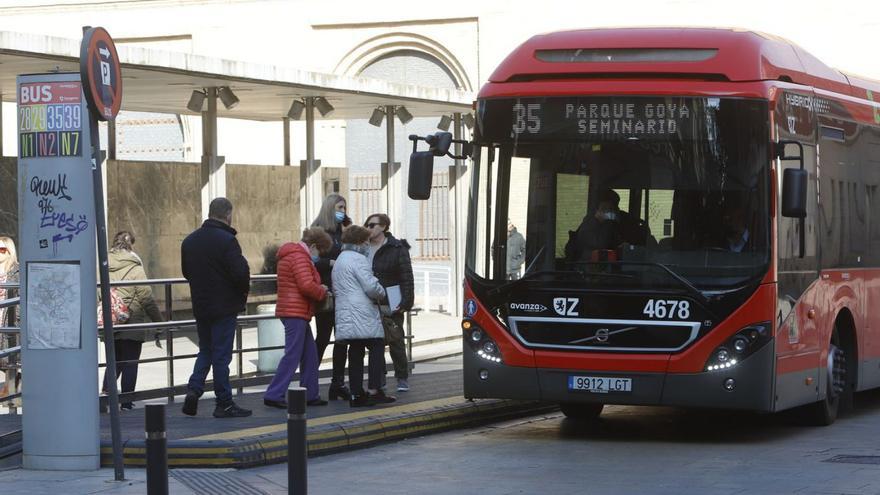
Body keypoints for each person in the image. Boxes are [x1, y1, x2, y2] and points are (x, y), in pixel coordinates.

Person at [181, 197, 252, 418]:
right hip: (224, 306)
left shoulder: (190, 241)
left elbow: (186, 272)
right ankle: (224, 403)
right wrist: (241, 292)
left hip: (201, 305)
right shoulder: (227, 241)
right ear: (228, 215)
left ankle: (194, 389)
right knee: (221, 355)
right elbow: (240, 273)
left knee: (206, 350)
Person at [263, 227, 332, 409]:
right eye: (320, 251)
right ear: (314, 246)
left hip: (295, 311)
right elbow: (306, 285)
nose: (318, 256)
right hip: (295, 311)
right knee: (293, 354)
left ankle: (311, 394)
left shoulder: (292, 255)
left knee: (309, 355)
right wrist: (322, 291)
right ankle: (274, 393)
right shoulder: (300, 257)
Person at [332, 225, 395, 407]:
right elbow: (371, 287)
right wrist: (381, 291)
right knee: (376, 346)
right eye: (366, 241)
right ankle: (375, 390)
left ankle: (356, 394)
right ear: (360, 242)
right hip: (362, 312)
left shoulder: (340, 259)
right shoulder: (358, 259)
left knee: (356, 351)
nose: (368, 244)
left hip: (346, 312)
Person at [101, 231, 164, 410]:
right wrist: (158, 322)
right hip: (132, 322)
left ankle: (106, 396)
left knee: (113, 362)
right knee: (130, 362)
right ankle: (126, 402)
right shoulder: (134, 266)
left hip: (110, 321)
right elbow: (146, 298)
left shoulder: (103, 265)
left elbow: (98, 293)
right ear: (131, 245)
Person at [365, 213, 414, 392]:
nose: (368, 228)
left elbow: (407, 276)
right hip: (369, 302)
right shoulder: (363, 247)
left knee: (396, 340)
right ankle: (379, 379)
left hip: (391, 301)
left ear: (384, 227)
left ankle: (402, 377)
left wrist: (406, 302)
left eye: (372, 225)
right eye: (367, 225)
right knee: (375, 342)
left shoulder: (397, 247)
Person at [311, 193, 351, 400]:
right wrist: (331, 263)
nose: (343, 212)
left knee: (342, 338)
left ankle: (337, 383)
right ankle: (309, 382)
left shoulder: (343, 230)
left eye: (344, 208)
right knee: (324, 337)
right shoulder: (317, 230)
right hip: (325, 292)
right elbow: (309, 259)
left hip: (342, 291)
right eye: (340, 208)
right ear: (330, 208)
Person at [566, 189, 644, 261]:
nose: (609, 212)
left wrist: (623, 246)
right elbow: (600, 245)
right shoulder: (588, 226)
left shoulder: (622, 221)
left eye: (612, 208)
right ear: (596, 211)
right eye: (605, 209)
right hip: (590, 271)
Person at [0, 236, 20, 401]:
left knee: (10, 359)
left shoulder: (17, 272)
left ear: (9, 252)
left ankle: (13, 394)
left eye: (2, 250)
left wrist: (17, 317)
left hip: (10, 321)